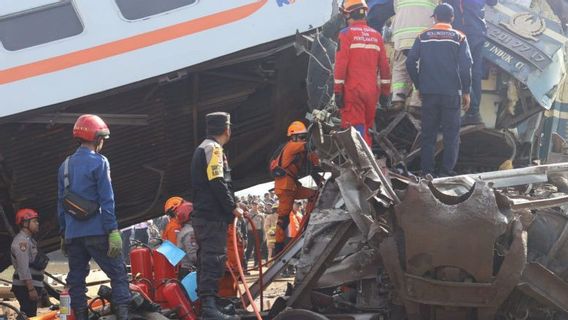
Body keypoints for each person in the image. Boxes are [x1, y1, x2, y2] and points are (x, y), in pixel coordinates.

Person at [57, 114, 130, 320]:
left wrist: (64, 232)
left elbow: (60, 203)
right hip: (97, 231)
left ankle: (81, 316)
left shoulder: (64, 166)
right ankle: (124, 314)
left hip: (73, 235)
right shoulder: (100, 162)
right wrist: (113, 230)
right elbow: (107, 200)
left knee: (77, 280)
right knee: (118, 274)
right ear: (97, 139)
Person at [406, 3, 473, 176]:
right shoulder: (459, 37)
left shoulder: (423, 36)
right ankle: (446, 172)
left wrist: (419, 85)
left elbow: (410, 62)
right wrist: (466, 91)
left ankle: (427, 171)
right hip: (452, 94)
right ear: (452, 18)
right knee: (451, 136)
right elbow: (466, 67)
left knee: (428, 134)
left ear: (434, 17)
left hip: (429, 93)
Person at [191, 112, 242, 320]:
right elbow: (217, 181)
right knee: (214, 259)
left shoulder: (203, 147)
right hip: (212, 217)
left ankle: (209, 303)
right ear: (226, 129)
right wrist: (232, 207)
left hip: (205, 215)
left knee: (207, 259)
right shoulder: (214, 149)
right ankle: (209, 308)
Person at [334, 0, 391, 145]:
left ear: (348, 15)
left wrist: (337, 91)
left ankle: (362, 166)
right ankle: (367, 164)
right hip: (372, 92)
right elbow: (385, 67)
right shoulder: (376, 35)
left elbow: (341, 65)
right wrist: (385, 93)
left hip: (353, 91)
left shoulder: (345, 34)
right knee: (366, 130)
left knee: (354, 133)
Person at [443, 0, 498, 125]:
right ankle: (472, 114)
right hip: (479, 32)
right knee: (475, 73)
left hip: (463, 31)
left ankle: (473, 112)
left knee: (457, 70)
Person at [272, 121, 319, 256]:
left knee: (314, 194)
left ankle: (306, 226)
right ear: (294, 137)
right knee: (284, 218)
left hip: (291, 186)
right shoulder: (292, 146)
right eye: (302, 137)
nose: (303, 139)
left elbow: (312, 158)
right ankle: (278, 248)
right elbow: (310, 146)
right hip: (285, 187)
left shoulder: (298, 149)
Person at [390, 0, 437, 111]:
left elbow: (395, 8)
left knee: (400, 66)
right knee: (423, 67)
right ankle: (416, 102)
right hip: (423, 34)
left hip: (401, 35)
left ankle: (397, 99)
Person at [11, 209, 48, 317]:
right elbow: (23, 267)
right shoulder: (21, 242)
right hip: (25, 287)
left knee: (30, 314)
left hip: (32, 284)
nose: (37, 224)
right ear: (25, 223)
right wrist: (31, 289)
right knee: (28, 314)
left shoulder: (30, 240)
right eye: (34, 221)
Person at [175, 200, 196, 279]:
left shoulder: (184, 230)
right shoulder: (190, 232)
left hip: (185, 271)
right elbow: (193, 256)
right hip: (190, 272)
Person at [244, 201, 265, 268]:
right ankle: (245, 264)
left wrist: (264, 235)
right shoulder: (248, 214)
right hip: (250, 233)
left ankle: (256, 264)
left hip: (259, 232)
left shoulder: (261, 215)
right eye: (253, 204)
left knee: (258, 249)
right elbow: (245, 224)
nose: (255, 206)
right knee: (249, 248)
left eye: (256, 204)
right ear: (251, 205)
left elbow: (263, 226)